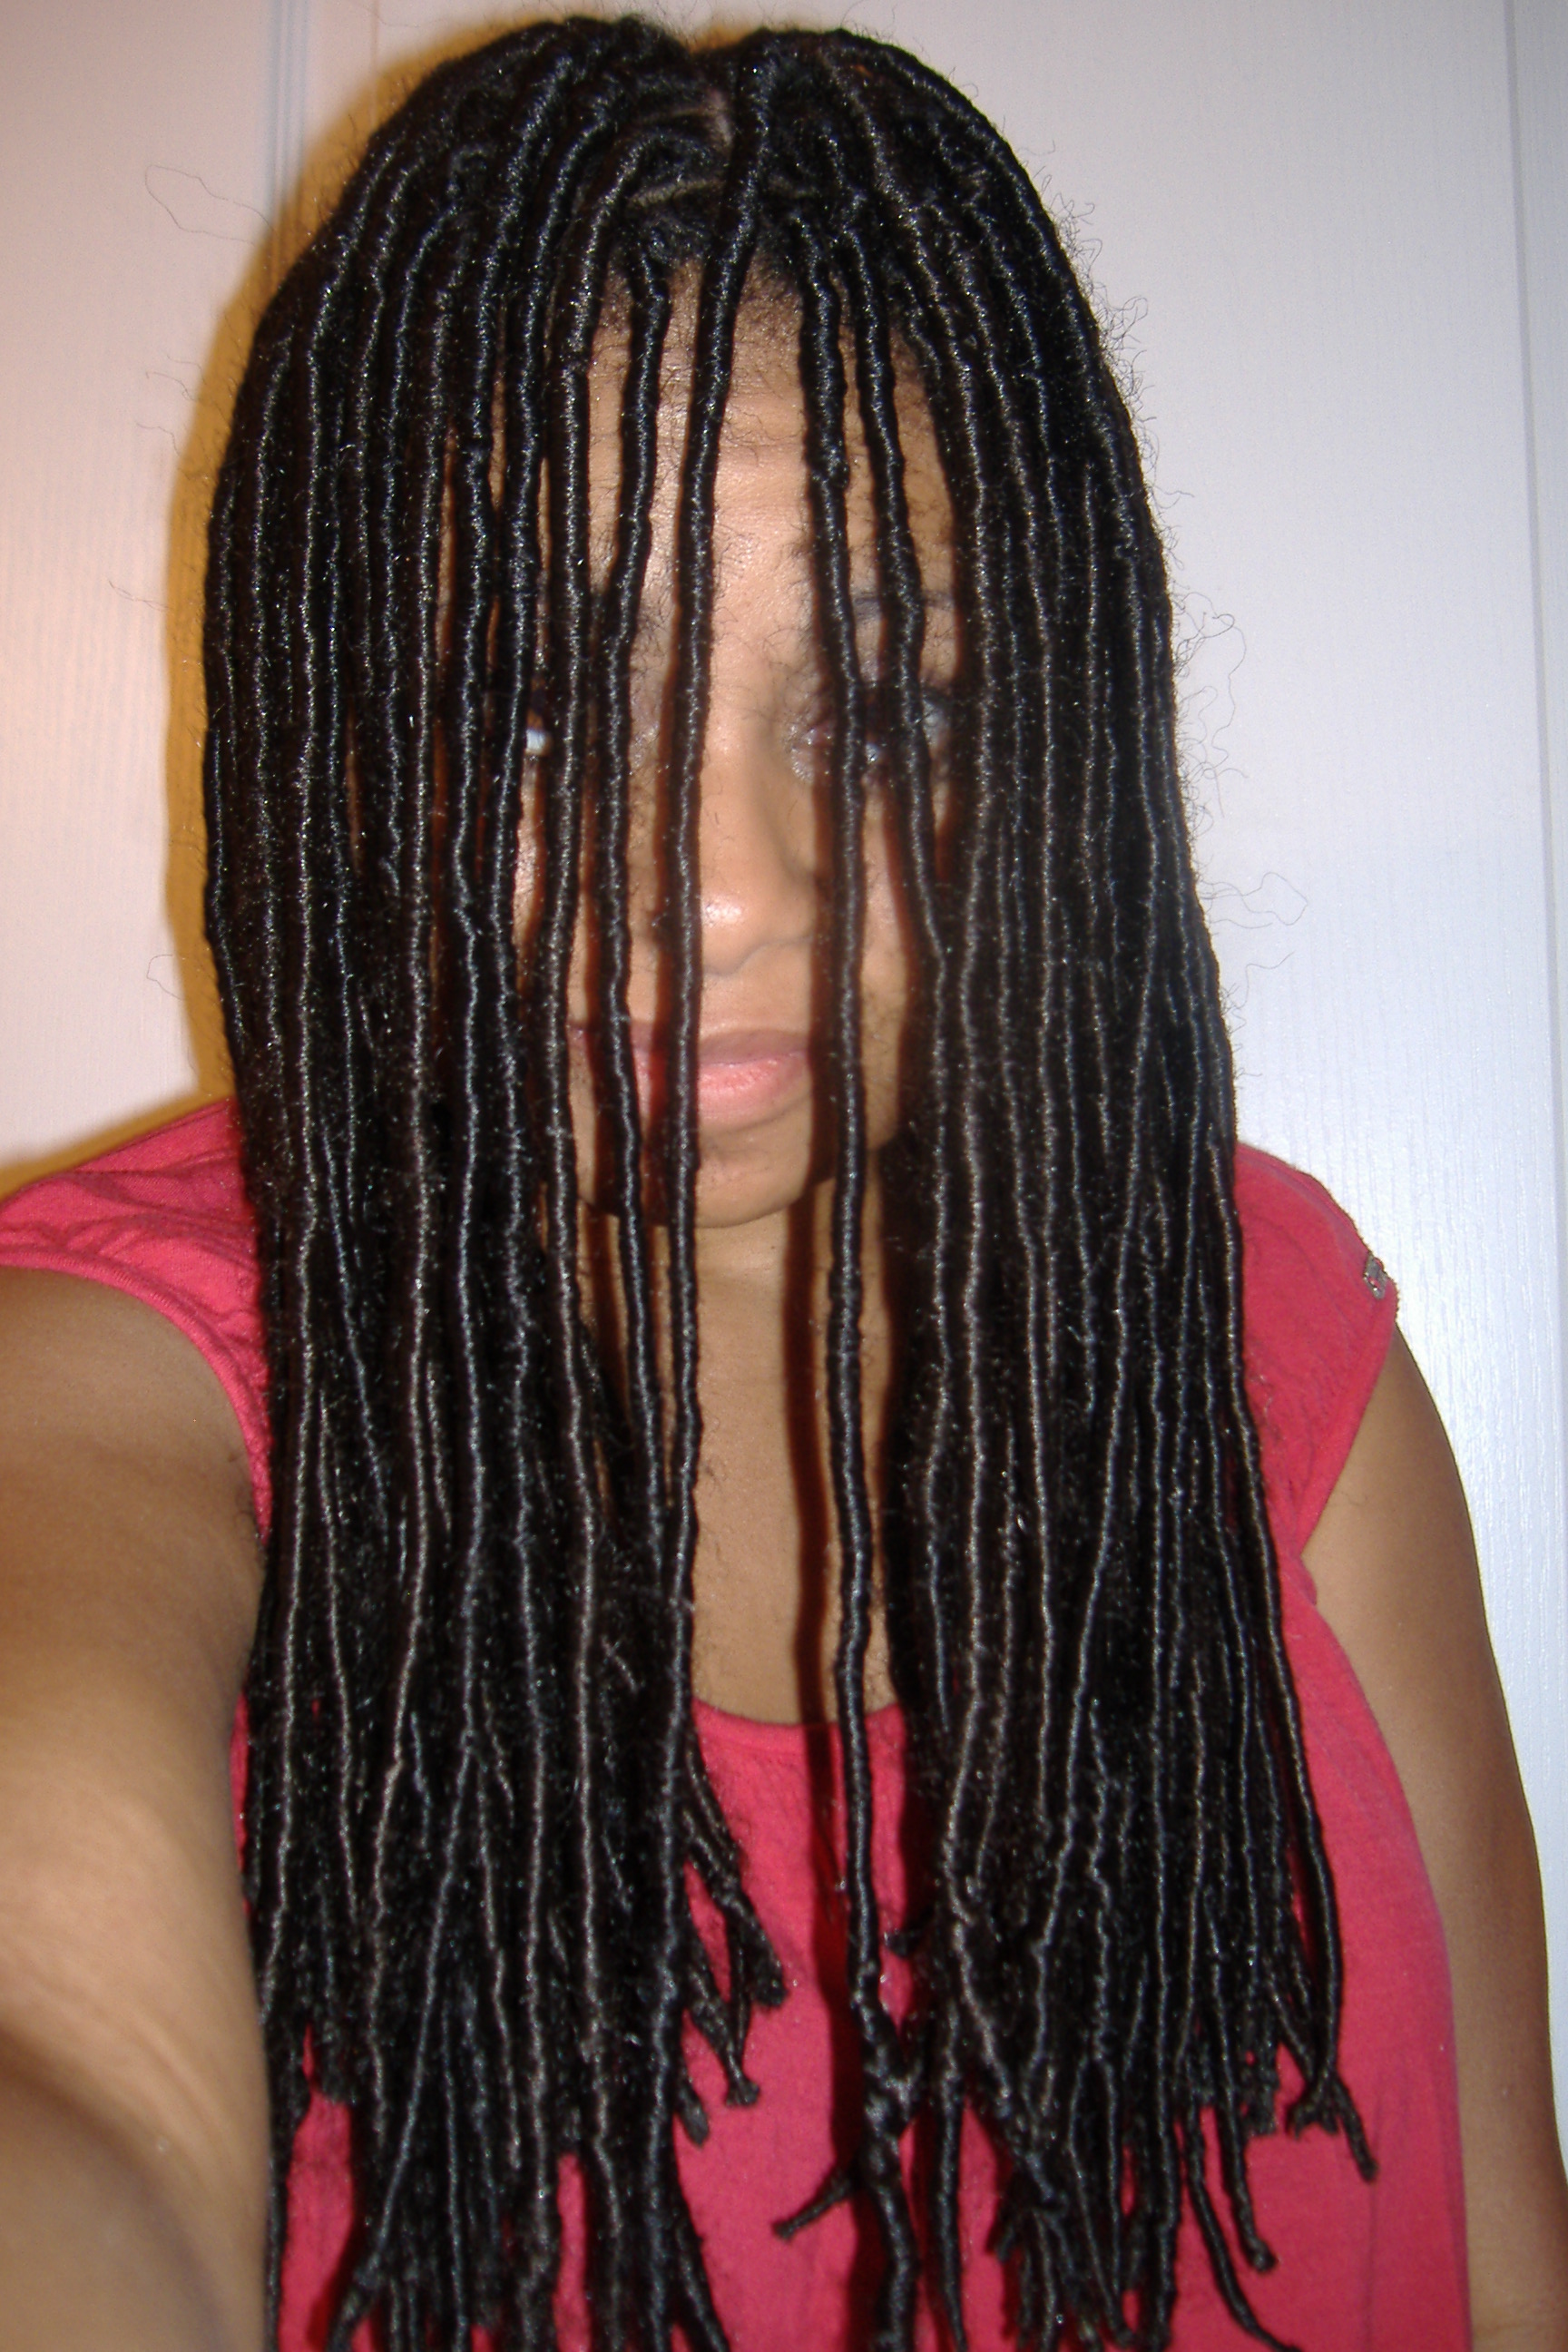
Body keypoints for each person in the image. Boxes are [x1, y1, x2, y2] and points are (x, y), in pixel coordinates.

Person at [0, 16, 1563, 2351]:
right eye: (538, 709)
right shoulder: (107, 1391)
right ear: (341, 723)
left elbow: (1506, 2253)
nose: (726, 886)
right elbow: (70, 2095)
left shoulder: (1262, 1334)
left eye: (884, 714)